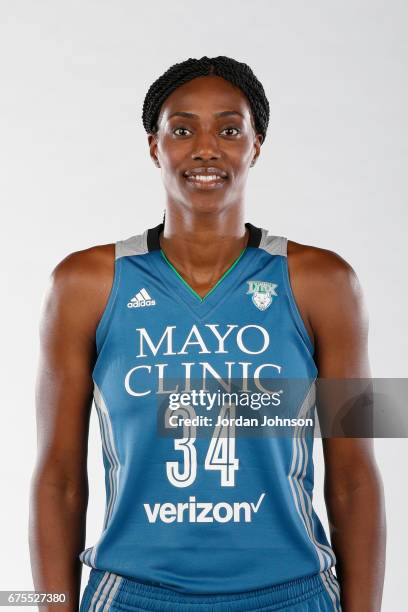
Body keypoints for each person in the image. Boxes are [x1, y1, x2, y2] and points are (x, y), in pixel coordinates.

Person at [29, 56, 386, 612]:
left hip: (294, 595)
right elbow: (57, 475)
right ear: (155, 147)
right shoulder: (82, 283)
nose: (205, 148)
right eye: (181, 129)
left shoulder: (328, 281)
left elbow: (357, 474)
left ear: (255, 144)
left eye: (228, 128)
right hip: (131, 595)